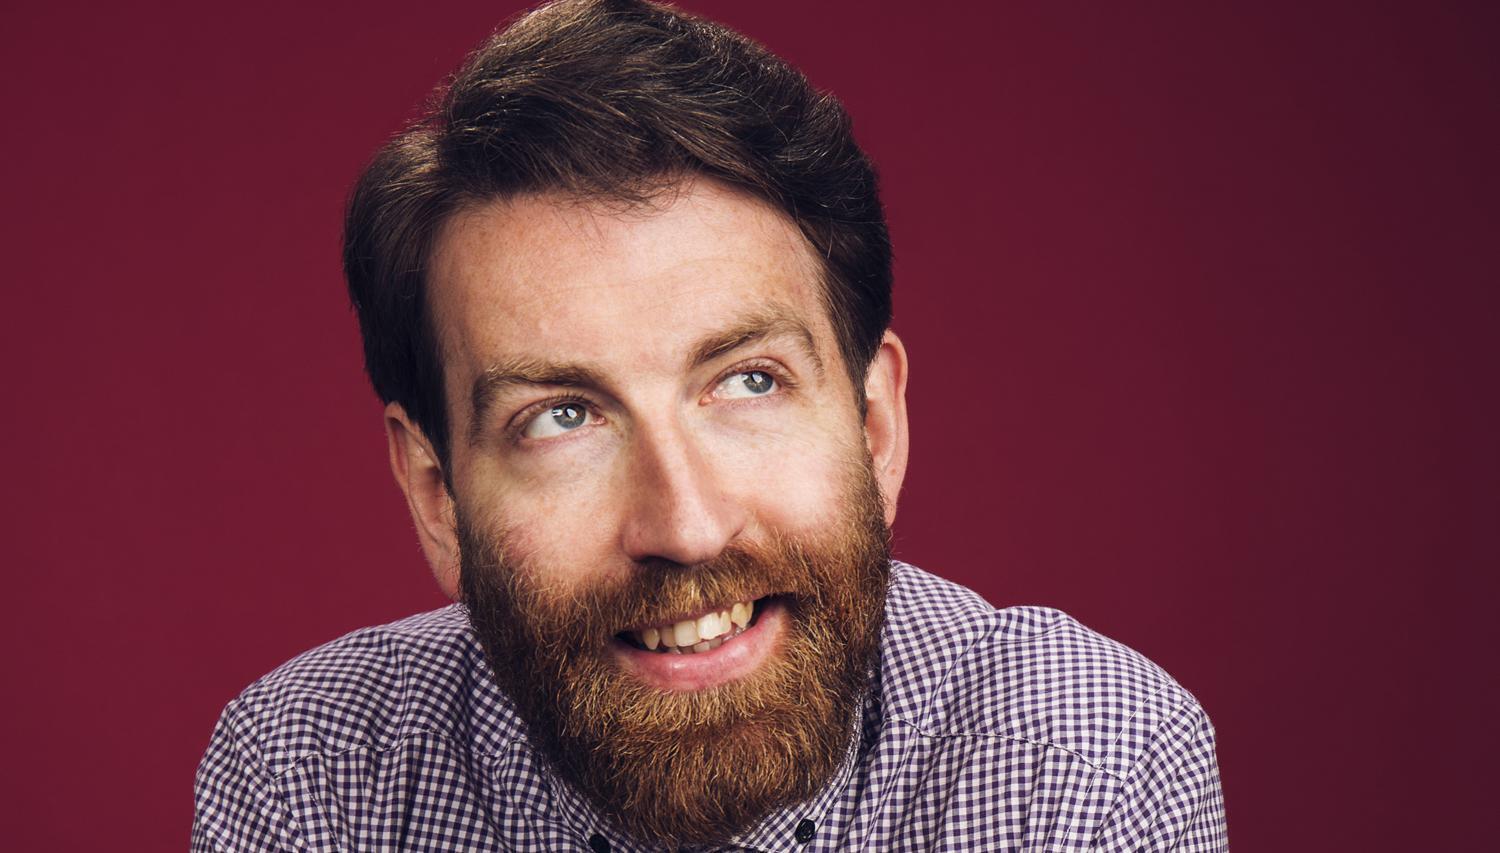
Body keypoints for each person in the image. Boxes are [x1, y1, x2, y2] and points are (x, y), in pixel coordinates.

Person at [192, 0, 1227, 849]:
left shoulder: (1084, 766)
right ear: (437, 497)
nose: (685, 527)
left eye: (748, 383)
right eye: (562, 417)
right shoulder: (308, 779)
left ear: (874, 426)